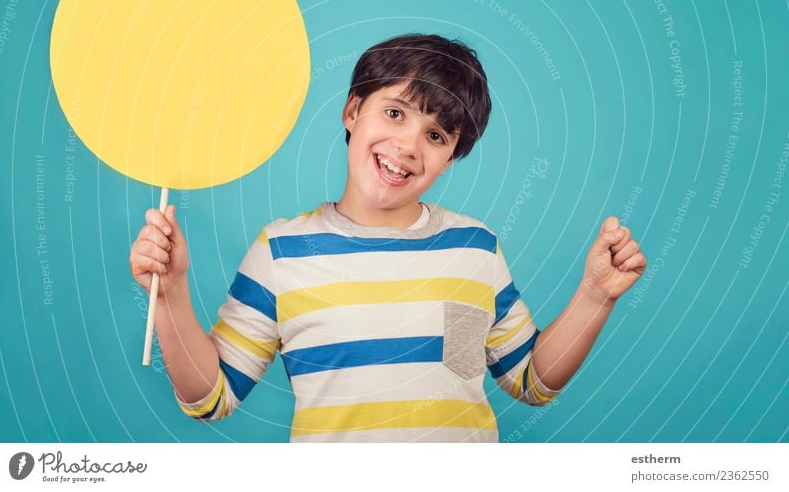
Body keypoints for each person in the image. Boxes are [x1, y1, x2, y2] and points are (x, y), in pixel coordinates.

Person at [129, 33, 646, 442]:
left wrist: (596, 296)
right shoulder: (280, 253)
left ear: (450, 159)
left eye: (436, 136)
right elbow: (210, 397)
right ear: (353, 112)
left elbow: (530, 381)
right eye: (395, 113)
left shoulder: (473, 251)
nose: (407, 145)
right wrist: (171, 295)